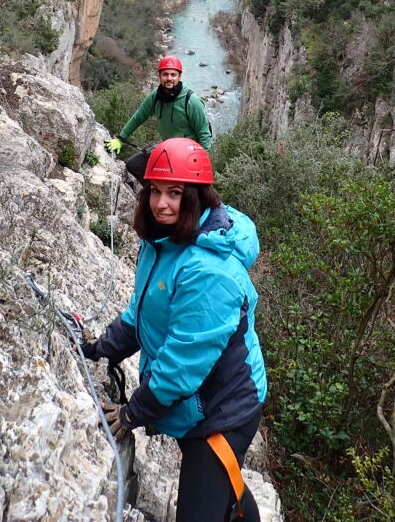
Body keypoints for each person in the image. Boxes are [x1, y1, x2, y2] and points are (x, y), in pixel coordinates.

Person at [83, 137, 266, 522]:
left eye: (174, 193)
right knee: (221, 485)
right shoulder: (163, 242)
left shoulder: (207, 269)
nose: (161, 203)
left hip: (223, 408)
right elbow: (143, 314)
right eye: (155, 191)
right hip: (202, 398)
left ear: (195, 197)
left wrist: (133, 413)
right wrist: (102, 349)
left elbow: (183, 364)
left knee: (200, 505)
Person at [106, 56, 212, 182]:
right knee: (134, 165)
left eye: (173, 74)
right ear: (160, 76)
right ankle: (155, 194)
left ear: (179, 76)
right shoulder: (155, 97)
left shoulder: (191, 101)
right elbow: (138, 117)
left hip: (187, 154)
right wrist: (121, 139)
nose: (169, 78)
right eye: (165, 74)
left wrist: (200, 165)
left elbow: (204, 134)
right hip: (168, 148)